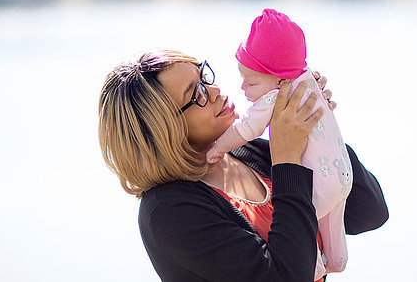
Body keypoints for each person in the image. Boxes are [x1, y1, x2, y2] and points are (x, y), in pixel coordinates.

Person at [98, 49, 388, 282]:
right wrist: (287, 158)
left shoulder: (250, 153)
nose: (213, 91)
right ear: (163, 128)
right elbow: (285, 276)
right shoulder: (170, 211)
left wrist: (320, 133)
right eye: (195, 94)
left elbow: (369, 212)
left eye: (205, 77)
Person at [204, 9, 353, 279]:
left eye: (251, 82)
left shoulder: (277, 97)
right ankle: (337, 259)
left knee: (299, 227)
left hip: (319, 183)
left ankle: (316, 267)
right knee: (333, 223)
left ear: (279, 79)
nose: (242, 89)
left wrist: (217, 148)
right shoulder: (308, 79)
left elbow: (246, 128)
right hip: (342, 172)